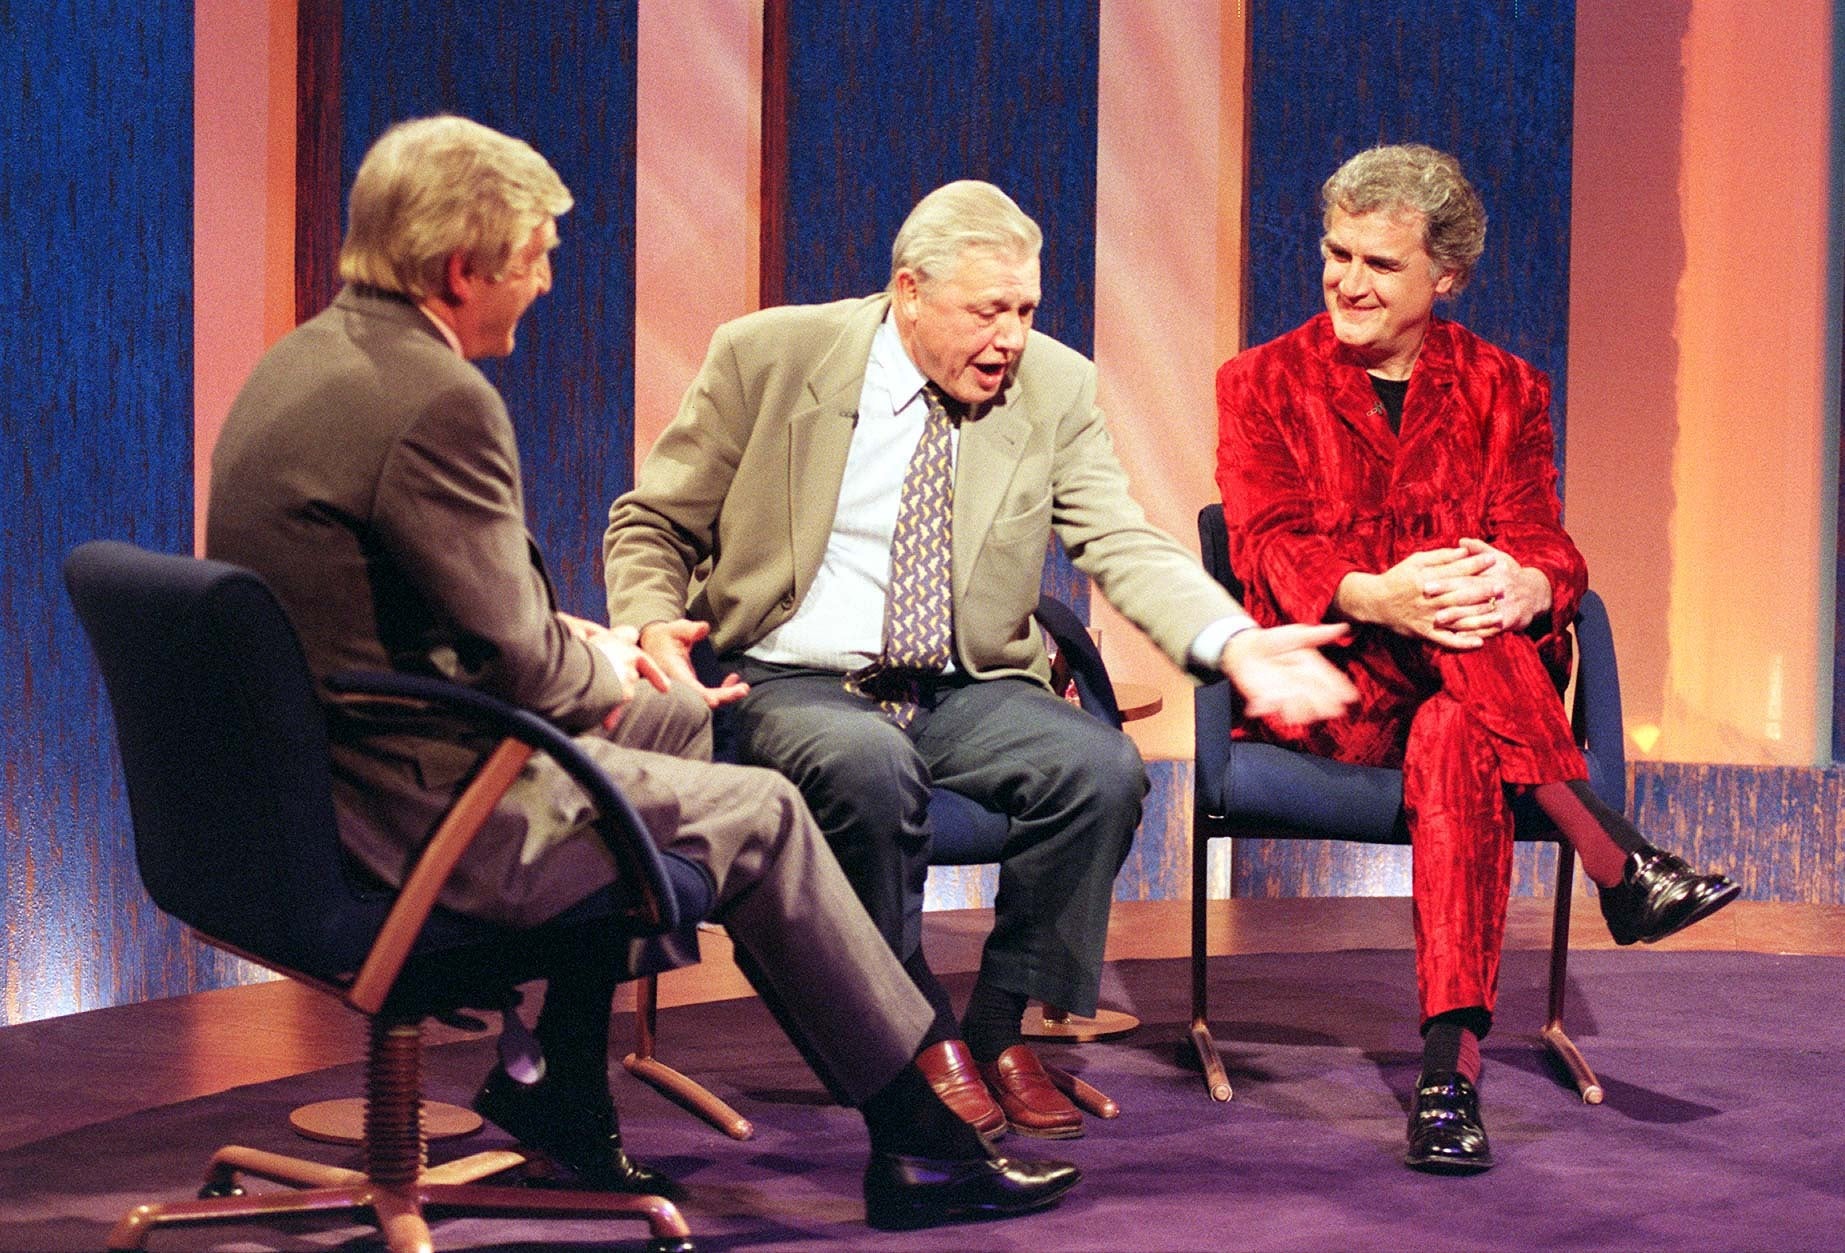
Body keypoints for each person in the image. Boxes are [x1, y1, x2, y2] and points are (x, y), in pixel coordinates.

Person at [205, 115, 1084, 1231]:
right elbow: (521, 663)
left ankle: (556, 1083)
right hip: (410, 809)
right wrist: (596, 658)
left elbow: (437, 613)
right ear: (464, 268)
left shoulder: (313, 354)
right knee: (758, 808)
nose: (544, 279)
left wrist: (614, 654)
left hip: (312, 783)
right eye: (534, 255)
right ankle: (917, 1135)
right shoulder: (435, 399)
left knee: (675, 722)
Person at [604, 179, 1357, 1141]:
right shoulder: (770, 355)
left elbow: (1119, 539)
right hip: (789, 676)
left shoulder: (1054, 385)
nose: (1009, 338)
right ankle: (907, 1032)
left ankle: (999, 1027)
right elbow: (651, 521)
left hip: (958, 682)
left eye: (1026, 309)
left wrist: (1232, 638)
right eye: (986, 311)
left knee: (1099, 767)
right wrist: (650, 618)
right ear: (908, 293)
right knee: (865, 766)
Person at [1214, 143, 1739, 1174]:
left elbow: (1548, 541)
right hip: (1340, 681)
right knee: (1463, 643)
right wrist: (1378, 594)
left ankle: (1447, 1078)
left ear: (1445, 277)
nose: (1347, 283)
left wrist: (1528, 583)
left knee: (1463, 706)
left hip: (1470, 697)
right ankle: (1616, 859)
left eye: (1380, 264)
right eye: (1336, 254)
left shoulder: (1506, 387)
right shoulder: (1260, 382)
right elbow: (1264, 542)